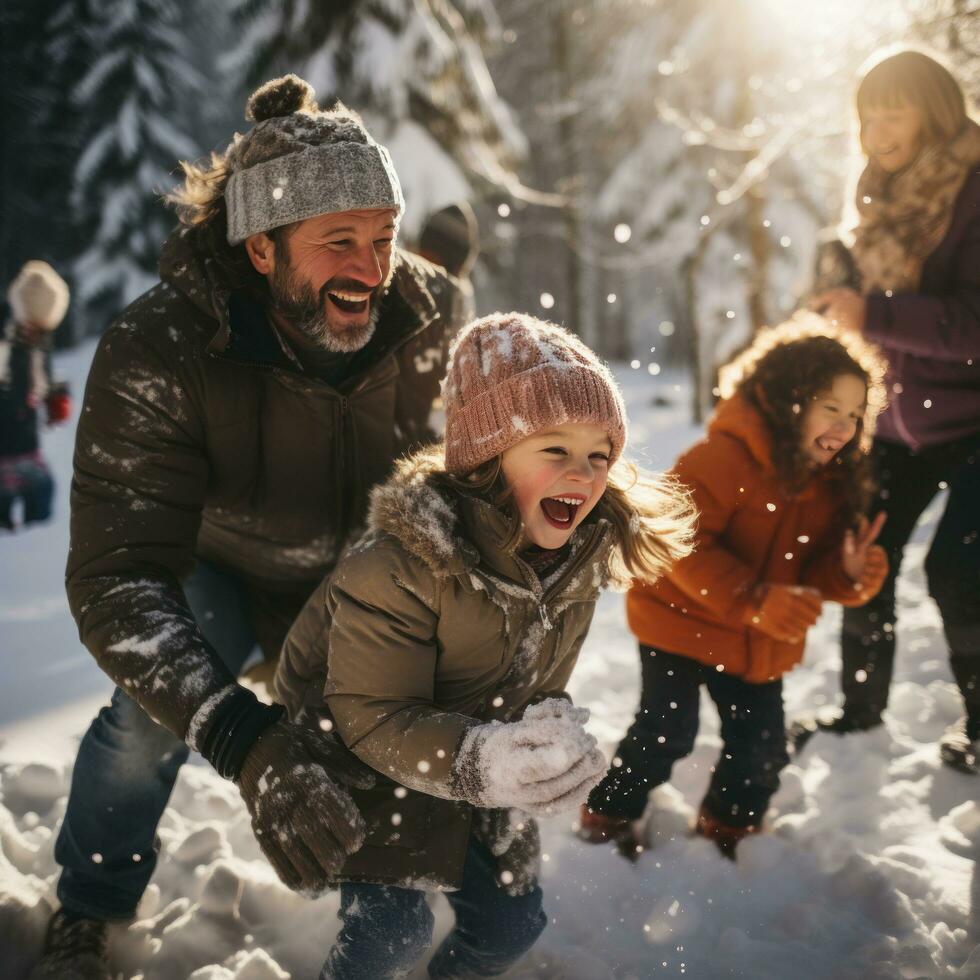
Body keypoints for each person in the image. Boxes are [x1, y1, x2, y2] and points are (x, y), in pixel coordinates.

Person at [31, 74, 469, 980]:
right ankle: (90, 901)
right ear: (262, 248)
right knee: (144, 723)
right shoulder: (159, 348)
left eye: (382, 238)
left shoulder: (429, 315)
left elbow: (468, 492)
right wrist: (240, 733)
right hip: (221, 574)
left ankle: (393, 915)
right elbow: (118, 578)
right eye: (337, 241)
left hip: (360, 582)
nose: (370, 268)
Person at [274, 312, 695, 979]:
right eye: (554, 449)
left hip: (479, 756)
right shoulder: (403, 561)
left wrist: (547, 731)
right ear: (486, 458)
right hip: (364, 759)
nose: (582, 474)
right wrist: (476, 758)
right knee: (392, 934)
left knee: (510, 928)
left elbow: (539, 677)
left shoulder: (575, 559)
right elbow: (371, 714)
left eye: (598, 455)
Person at [579, 317, 890, 859]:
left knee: (762, 748)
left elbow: (808, 571)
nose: (844, 426)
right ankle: (607, 818)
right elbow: (681, 545)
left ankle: (727, 834)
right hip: (678, 619)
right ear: (789, 400)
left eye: (856, 415)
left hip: (753, 635)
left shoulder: (834, 481)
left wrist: (846, 573)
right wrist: (751, 598)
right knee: (667, 731)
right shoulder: (722, 458)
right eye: (830, 407)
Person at [803, 49, 980, 772]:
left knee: (958, 573)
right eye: (868, 114)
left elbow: (973, 325)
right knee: (862, 555)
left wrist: (872, 312)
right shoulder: (876, 196)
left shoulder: (972, 195)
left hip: (974, 426)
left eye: (895, 111)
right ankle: (860, 711)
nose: (878, 129)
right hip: (899, 426)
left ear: (934, 114)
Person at [0, 260, 71, 530]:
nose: (38, 333)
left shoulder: (38, 341)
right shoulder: (6, 339)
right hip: (8, 442)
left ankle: (29, 537)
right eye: (35, 325)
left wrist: (56, 395)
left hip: (25, 440)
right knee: (38, 488)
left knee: (39, 495)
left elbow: (44, 374)